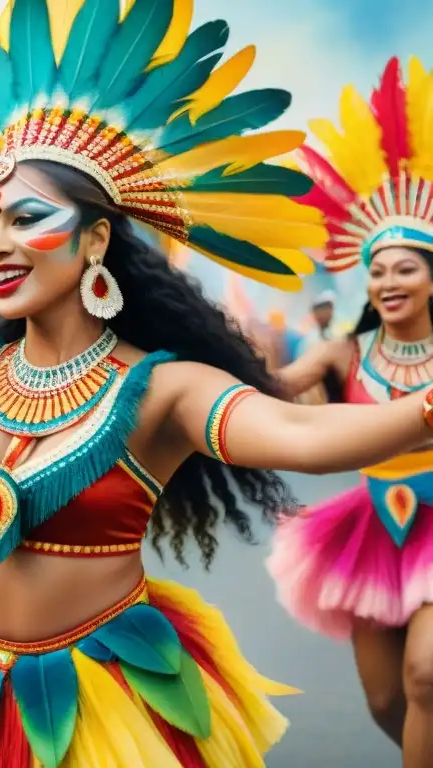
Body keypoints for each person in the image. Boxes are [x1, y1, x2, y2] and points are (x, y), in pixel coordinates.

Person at [0, 3, 433, 765]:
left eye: (26, 219)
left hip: (104, 705)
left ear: (94, 239)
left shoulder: (162, 392)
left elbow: (302, 437)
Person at [266, 56, 433, 765]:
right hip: (370, 529)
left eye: (405, 267)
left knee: (426, 675)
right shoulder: (341, 354)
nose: (388, 280)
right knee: (387, 701)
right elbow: (273, 389)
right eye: (378, 269)